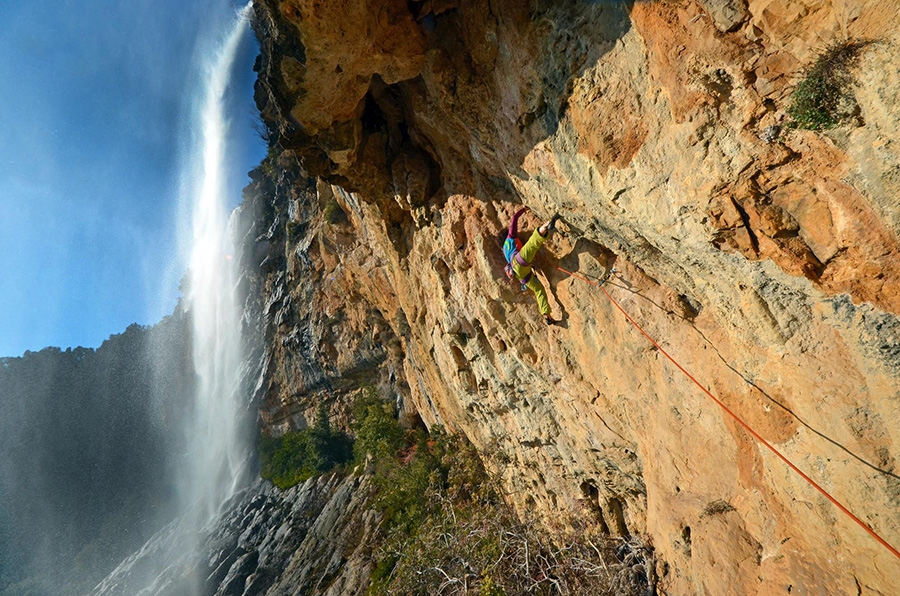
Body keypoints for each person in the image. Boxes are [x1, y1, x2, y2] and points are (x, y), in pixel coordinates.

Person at [503, 207, 561, 324]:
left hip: (520, 274)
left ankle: (547, 315)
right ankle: (547, 225)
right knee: (533, 242)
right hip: (519, 261)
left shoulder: (504, 249)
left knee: (539, 290)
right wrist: (524, 208)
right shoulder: (510, 237)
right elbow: (514, 218)